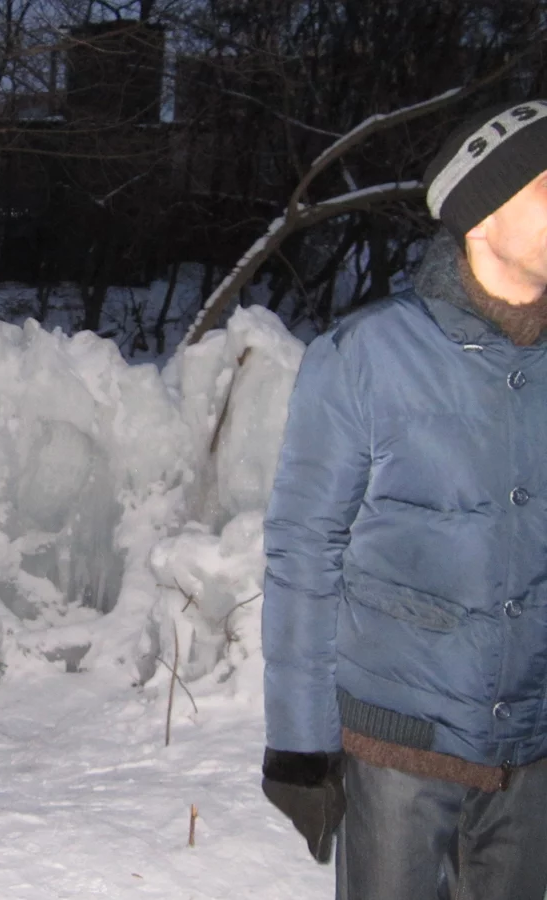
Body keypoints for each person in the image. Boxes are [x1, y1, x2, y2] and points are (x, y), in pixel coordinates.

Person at [261, 98, 547, 899]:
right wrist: (300, 746)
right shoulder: (366, 355)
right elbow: (303, 551)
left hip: (532, 751)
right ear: (482, 218)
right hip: (398, 752)